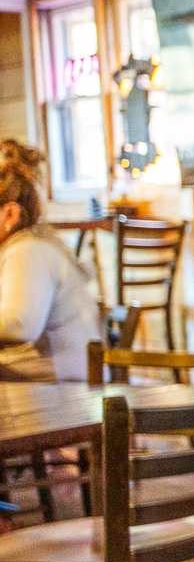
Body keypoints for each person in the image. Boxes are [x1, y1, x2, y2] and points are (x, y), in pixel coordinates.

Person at [0, 141, 101, 382]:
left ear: (10, 214)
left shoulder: (27, 252)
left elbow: (19, 324)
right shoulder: (23, 247)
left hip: (66, 398)